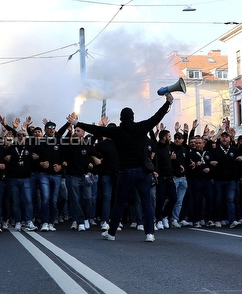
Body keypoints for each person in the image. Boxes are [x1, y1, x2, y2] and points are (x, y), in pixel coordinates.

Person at [69, 91, 173, 242]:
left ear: (120, 119)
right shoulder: (141, 127)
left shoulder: (116, 131)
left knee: (119, 203)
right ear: (133, 117)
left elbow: (98, 130)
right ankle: (149, 233)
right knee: (146, 203)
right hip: (143, 171)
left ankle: (111, 233)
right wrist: (168, 103)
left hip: (125, 172)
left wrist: (77, 123)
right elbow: (157, 117)